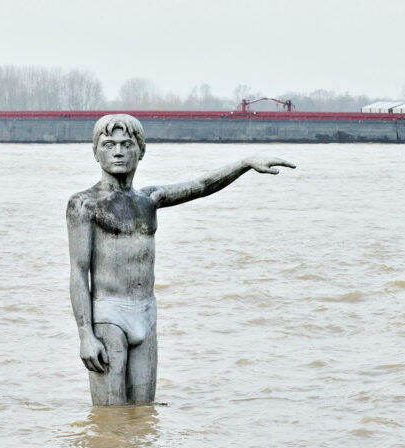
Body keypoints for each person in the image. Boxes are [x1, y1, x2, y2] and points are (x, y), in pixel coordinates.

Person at [67, 114, 294, 405]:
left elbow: (200, 185)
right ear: (95, 152)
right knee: (110, 412)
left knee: (143, 411)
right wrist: (86, 334)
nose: (119, 152)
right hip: (109, 316)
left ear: (141, 150)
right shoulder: (84, 204)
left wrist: (244, 164)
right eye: (109, 145)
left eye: (127, 144)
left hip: (146, 313)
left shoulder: (149, 199)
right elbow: (78, 272)